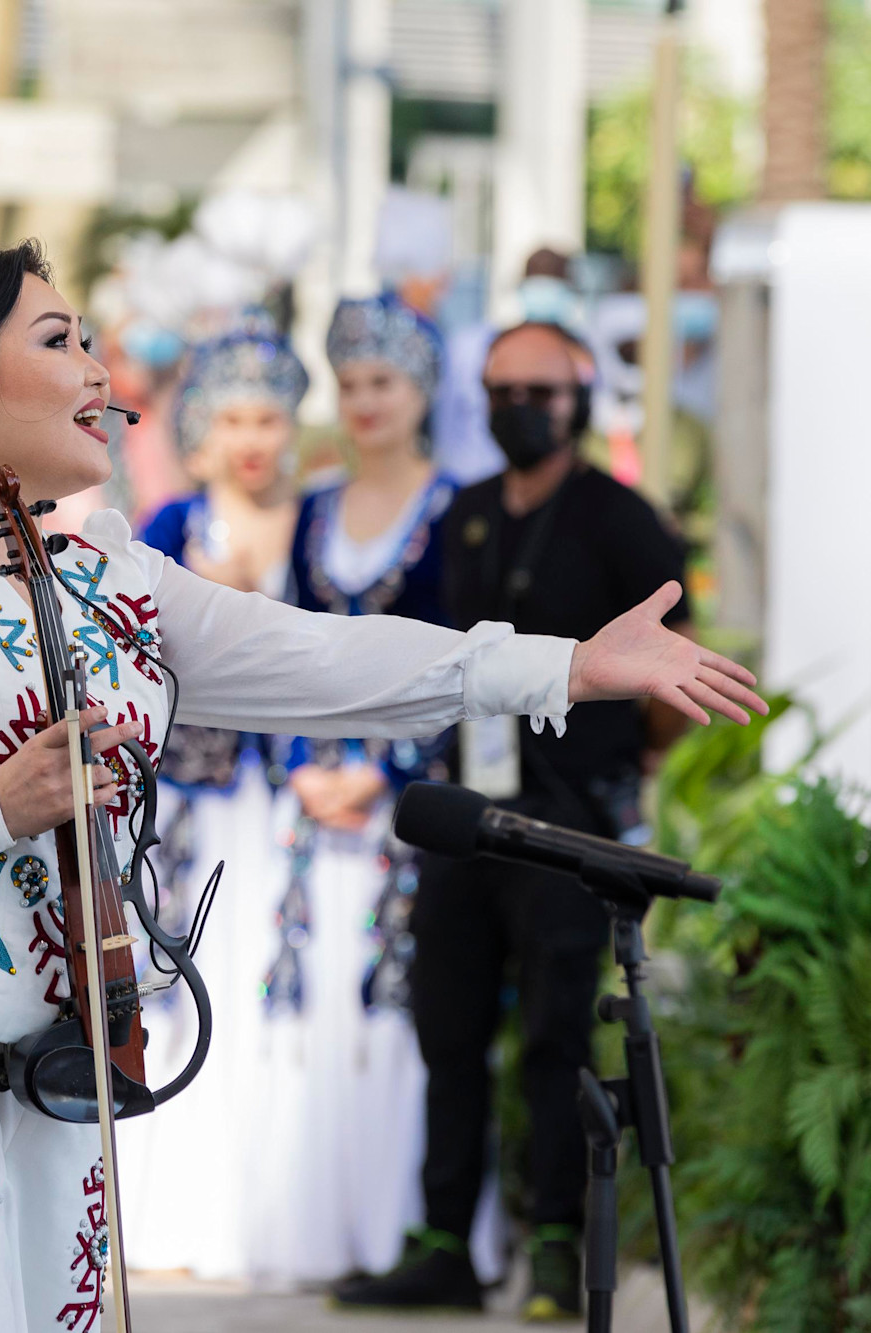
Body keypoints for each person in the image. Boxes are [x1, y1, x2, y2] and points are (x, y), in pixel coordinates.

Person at [0, 241, 760, 1331]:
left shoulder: (113, 581)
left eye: (88, 340)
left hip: (63, 1059)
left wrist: (563, 666)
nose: (96, 371)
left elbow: (320, 656)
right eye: (57, 341)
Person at [334, 320, 703, 1320]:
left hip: (566, 824)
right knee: (444, 1027)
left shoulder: (617, 518)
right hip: (468, 816)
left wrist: (633, 772)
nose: (518, 409)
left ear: (578, 397)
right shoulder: (461, 512)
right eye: (499, 389)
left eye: (538, 391)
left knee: (554, 1038)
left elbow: (677, 667)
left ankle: (551, 1245)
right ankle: (443, 1240)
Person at [245, 293, 462, 1287]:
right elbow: (286, 650)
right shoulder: (315, 509)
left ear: (420, 392)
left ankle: (402, 1231)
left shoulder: (454, 510)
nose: (365, 401)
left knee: (401, 1022)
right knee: (317, 1014)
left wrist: (387, 770)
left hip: (404, 810)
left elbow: (468, 664)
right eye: (350, 384)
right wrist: (303, 767)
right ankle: (322, 1229)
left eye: (383, 382)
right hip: (318, 801)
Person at [121, 312, 307, 1280]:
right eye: (229, 418)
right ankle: (169, 1215)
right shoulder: (166, 529)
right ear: (199, 426)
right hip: (188, 809)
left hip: (281, 807)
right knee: (175, 998)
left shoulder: (317, 521)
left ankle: (262, 1217)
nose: (248, 440)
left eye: (265, 419)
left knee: (263, 1006)